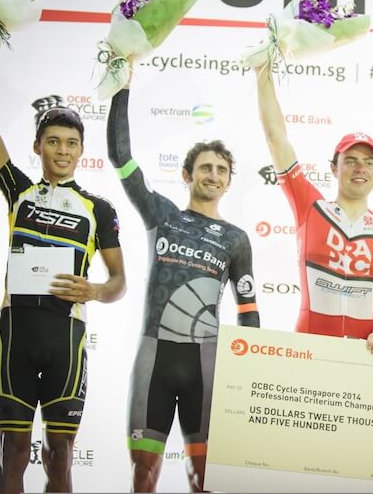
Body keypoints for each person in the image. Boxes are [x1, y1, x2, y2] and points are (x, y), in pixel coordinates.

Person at [0, 40, 127, 493]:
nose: (62, 150)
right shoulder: (19, 191)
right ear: (37, 146)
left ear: (82, 150)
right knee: (13, 456)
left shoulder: (97, 208)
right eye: (53, 141)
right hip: (16, 335)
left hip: (67, 341)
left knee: (60, 462)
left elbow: (119, 281)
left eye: (72, 143)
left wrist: (96, 290)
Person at [108, 74, 260, 492]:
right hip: (154, 357)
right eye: (206, 168)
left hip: (206, 365)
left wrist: (251, 370)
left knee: (203, 479)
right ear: (187, 174)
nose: (213, 175)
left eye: (222, 170)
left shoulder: (235, 239)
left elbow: (248, 311)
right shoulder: (163, 216)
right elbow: (121, 157)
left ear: (229, 180)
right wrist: (122, 86)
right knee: (144, 474)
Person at [254, 66, 373, 353]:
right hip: (306, 350)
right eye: (350, 160)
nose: (360, 168)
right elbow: (276, 138)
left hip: (362, 357)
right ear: (334, 168)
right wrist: (262, 72)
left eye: (368, 162)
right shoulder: (310, 207)